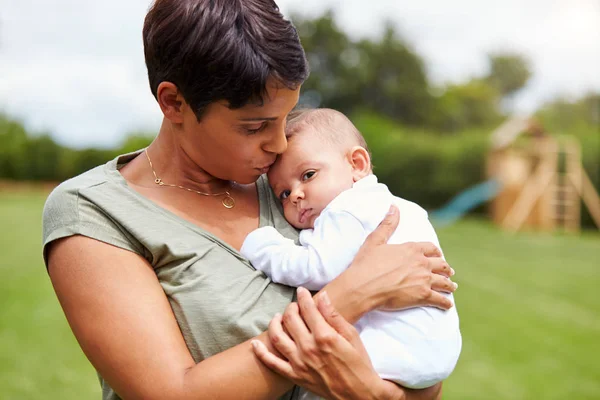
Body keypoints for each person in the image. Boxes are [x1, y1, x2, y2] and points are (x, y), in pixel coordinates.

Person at [42, 1, 457, 399]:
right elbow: (171, 393)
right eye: (255, 126)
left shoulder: (293, 183)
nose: (278, 144)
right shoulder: (95, 213)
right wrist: (355, 294)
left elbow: (419, 368)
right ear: (174, 103)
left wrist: (376, 393)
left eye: (286, 117)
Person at [241, 108, 461, 398]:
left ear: (357, 164)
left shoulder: (348, 209)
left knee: (316, 375)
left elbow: (316, 269)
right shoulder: (389, 204)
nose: (295, 194)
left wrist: (262, 246)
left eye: (308, 175)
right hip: (432, 346)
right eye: (283, 193)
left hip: (396, 345)